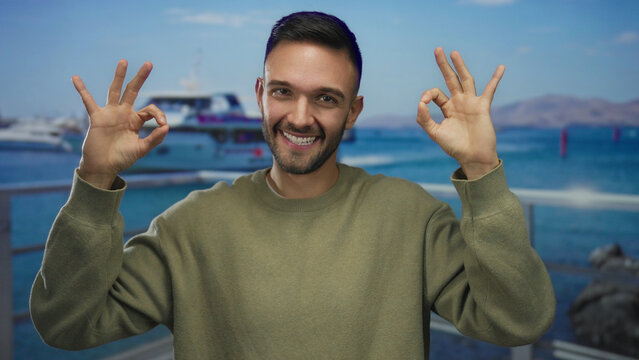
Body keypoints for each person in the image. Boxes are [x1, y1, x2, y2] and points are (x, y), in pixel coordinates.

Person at [30, 11, 555, 359]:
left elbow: (519, 320)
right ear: (260, 94)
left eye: (326, 99)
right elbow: (67, 323)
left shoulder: (410, 217)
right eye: (283, 92)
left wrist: (483, 170)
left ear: (354, 111)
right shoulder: (190, 226)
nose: (299, 117)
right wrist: (96, 180)